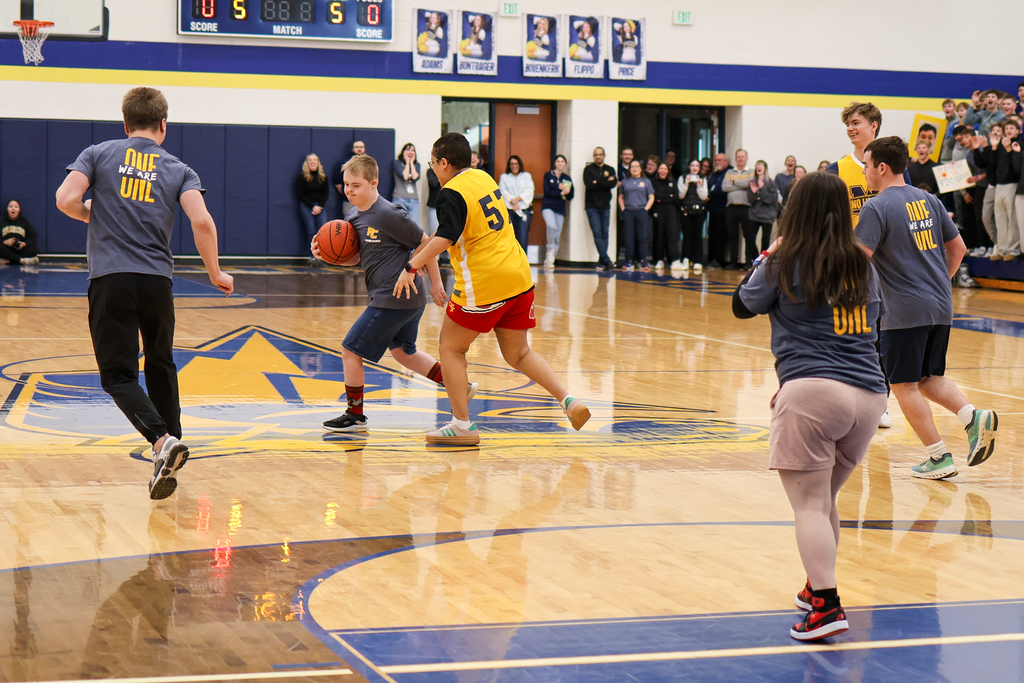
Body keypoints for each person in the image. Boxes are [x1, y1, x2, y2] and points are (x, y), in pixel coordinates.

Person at [55, 86, 234, 500]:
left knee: (118, 375)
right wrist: (216, 272)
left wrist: (92, 217)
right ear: (163, 126)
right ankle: (167, 452)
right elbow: (202, 222)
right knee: (160, 364)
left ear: (125, 123)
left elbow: (65, 198)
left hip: (110, 279)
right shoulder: (178, 168)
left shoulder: (98, 153)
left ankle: (161, 440)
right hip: (158, 282)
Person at [733, 171, 888, 641]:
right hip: (870, 397)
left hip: (814, 394)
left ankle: (825, 605)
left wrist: (767, 253)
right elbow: (875, 328)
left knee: (809, 507)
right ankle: (814, 585)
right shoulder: (864, 264)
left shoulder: (785, 260)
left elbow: (742, 304)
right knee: (823, 502)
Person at [393, 133, 591, 445]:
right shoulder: (482, 178)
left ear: (445, 163)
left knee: (450, 348)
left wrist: (411, 266)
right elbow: (453, 227)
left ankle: (462, 425)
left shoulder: (449, 193)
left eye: (433, 164)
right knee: (519, 352)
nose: (432, 169)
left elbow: (446, 238)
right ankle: (569, 401)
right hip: (518, 276)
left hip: (485, 283)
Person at [856, 135, 997, 479]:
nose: (865, 173)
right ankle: (972, 417)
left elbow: (859, 261)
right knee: (928, 378)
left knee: (903, 385)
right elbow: (959, 249)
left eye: (867, 166)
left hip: (904, 311)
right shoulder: (930, 200)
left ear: (882, 167)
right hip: (940, 306)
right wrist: (939, 285)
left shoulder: (876, 207)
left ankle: (938, 456)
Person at [311, 154, 466, 432]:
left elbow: (426, 243)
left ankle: (355, 415)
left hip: (394, 297)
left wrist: (436, 283)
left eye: (356, 185)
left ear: (374, 183)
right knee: (404, 353)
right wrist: (328, 257)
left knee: (350, 350)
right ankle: (459, 384)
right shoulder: (353, 215)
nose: (349, 190)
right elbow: (358, 257)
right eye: (346, 184)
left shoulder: (389, 213)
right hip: (405, 300)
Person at [974, 120, 1021, 260]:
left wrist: (1010, 150)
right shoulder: (1000, 145)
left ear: (1018, 130)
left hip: (1012, 184)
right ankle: (1001, 248)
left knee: (1011, 218)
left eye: (1012, 128)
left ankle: (1014, 249)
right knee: (1000, 217)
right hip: (999, 185)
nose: (1009, 130)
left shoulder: (1018, 144)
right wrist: (993, 147)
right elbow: (992, 165)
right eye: (1007, 128)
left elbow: (1017, 168)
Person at [583, 147, 618, 271]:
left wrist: (598, 182)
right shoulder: (588, 169)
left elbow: (612, 184)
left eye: (600, 154)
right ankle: (607, 260)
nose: (598, 157)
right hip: (592, 207)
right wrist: (603, 182)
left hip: (605, 206)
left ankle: (602, 260)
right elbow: (589, 185)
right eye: (596, 155)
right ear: (593, 156)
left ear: (604, 155)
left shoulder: (610, 169)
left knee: (605, 233)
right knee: (597, 232)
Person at [618, 159, 654, 271]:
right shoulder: (625, 181)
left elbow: (651, 196)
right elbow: (620, 197)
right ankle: (629, 261)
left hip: (641, 211)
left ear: (641, 168)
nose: (634, 168)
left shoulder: (646, 181)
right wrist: (623, 209)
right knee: (629, 237)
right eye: (632, 166)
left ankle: (643, 261)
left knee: (642, 237)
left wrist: (646, 208)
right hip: (629, 211)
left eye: (636, 166)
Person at [721, 149, 754, 269]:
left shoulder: (751, 172)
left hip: (746, 208)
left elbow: (749, 183)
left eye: (742, 157)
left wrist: (734, 182)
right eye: (738, 157)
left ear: (746, 158)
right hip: (731, 208)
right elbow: (724, 187)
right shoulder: (729, 172)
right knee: (732, 235)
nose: (740, 159)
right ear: (735, 159)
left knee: (748, 236)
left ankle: (748, 262)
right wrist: (741, 186)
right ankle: (733, 262)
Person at [541, 154, 575, 268]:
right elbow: (547, 192)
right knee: (551, 226)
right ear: (555, 163)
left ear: (565, 164)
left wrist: (567, 192)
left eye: (562, 161)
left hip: (560, 208)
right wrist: (560, 192)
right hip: (548, 206)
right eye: (558, 161)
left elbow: (570, 195)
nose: (560, 163)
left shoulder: (567, 179)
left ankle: (551, 257)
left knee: (557, 232)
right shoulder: (548, 175)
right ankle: (550, 249)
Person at [745, 160, 780, 266]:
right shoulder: (752, 182)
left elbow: (769, 199)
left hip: (767, 216)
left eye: (761, 165)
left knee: (765, 240)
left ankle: (762, 262)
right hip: (754, 215)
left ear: (765, 168)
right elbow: (750, 201)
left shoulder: (771, 183)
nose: (758, 167)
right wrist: (754, 193)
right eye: (757, 165)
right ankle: (756, 258)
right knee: (749, 238)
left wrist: (762, 188)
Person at [499, 155, 535, 253]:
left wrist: (518, 200)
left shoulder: (526, 176)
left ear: (519, 165)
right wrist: (513, 202)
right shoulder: (504, 177)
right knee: (509, 236)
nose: (514, 166)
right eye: (512, 164)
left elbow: (529, 190)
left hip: (523, 209)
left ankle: (522, 260)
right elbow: (502, 191)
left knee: (522, 236)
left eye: (516, 164)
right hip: (509, 210)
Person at [677, 159, 708, 273]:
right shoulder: (683, 178)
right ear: (689, 167)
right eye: (692, 165)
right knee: (687, 235)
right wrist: (686, 184)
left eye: (697, 166)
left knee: (697, 235)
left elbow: (704, 196)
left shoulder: (703, 179)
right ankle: (686, 259)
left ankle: (698, 261)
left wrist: (699, 186)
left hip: (699, 211)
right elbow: (680, 195)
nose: (694, 168)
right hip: (686, 210)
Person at [297, 153, 329, 256]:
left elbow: (326, 193)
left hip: (320, 206)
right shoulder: (302, 177)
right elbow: (300, 194)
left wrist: (319, 206)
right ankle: (312, 257)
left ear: (318, 162)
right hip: (307, 206)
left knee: (322, 230)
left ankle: (323, 255)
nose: (312, 162)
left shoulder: (323, 177)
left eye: (314, 160)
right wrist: (312, 207)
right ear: (306, 163)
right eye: (310, 160)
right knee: (311, 230)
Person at [650, 162, 681, 270]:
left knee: (672, 234)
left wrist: (663, 198)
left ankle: (674, 260)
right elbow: (655, 195)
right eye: (661, 169)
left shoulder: (672, 181)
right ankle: (658, 259)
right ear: (658, 170)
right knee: (659, 235)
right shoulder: (653, 182)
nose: (663, 171)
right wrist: (668, 196)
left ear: (668, 171)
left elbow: (676, 197)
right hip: (658, 210)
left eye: (665, 169)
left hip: (671, 210)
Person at [706, 153, 732, 268]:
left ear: (726, 162)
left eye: (720, 160)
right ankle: (711, 258)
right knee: (712, 234)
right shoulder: (714, 175)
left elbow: (721, 189)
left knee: (720, 236)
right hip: (713, 209)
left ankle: (718, 259)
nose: (717, 162)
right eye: (716, 160)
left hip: (723, 209)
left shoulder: (729, 172)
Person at [0, 200, 40, 265]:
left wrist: (24, 244)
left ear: (19, 209)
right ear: (7, 209)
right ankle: (21, 260)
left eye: (16, 207)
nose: (13, 208)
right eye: (10, 206)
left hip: (19, 249)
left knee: (33, 250)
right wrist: (4, 242)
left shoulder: (25, 222)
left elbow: (33, 237)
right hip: (6, 248)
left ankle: (9, 260)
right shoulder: (1, 221)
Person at [333, 139, 366, 216]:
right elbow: (337, 181)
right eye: (357, 147)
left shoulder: (369, 164)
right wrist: (347, 193)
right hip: (349, 201)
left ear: (364, 149)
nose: (359, 149)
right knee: (349, 224)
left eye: (361, 147)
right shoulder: (344, 163)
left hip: (365, 201)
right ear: (352, 149)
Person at [391, 143, 422, 226]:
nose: (410, 152)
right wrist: (407, 162)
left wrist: (412, 162)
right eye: (408, 150)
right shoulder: (397, 163)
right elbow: (405, 176)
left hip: (413, 199)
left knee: (415, 226)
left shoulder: (417, 165)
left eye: (412, 150)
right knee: (399, 225)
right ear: (403, 152)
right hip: (400, 198)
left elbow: (415, 177)